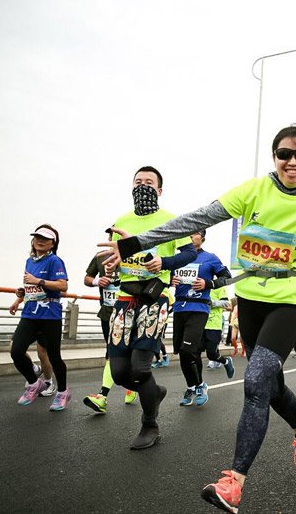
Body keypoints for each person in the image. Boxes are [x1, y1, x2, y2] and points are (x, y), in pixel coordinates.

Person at [97, 124, 296, 513]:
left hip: (289, 302)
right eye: (284, 153)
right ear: (274, 157)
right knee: (271, 385)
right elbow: (196, 220)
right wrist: (134, 243)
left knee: (257, 380)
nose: (292, 161)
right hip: (249, 300)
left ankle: (234, 483)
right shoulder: (251, 191)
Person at [101, 166, 197, 449]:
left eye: (149, 182)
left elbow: (189, 252)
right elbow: (117, 253)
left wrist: (163, 263)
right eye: (138, 182)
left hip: (155, 298)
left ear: (160, 190)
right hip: (124, 298)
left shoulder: (171, 220)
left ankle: (150, 425)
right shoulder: (121, 219)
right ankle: (154, 392)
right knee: (119, 372)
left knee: (141, 367)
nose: (143, 186)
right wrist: (111, 262)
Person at [8, 224, 71, 410]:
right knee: (16, 351)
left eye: (44, 238)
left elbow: (62, 286)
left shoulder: (55, 261)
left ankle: (62, 392)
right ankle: (35, 383)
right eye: (37, 237)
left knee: (53, 356)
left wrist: (38, 281)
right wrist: (21, 296)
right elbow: (32, 288)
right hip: (29, 313)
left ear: (52, 243)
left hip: (49, 315)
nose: (40, 241)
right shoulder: (30, 261)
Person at [171, 230, 233, 406]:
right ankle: (192, 386)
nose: (191, 236)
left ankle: (201, 385)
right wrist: (170, 280)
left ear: (202, 238)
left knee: (189, 350)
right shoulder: (177, 258)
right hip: (179, 307)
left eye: (195, 233)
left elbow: (226, 278)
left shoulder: (210, 258)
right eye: (188, 233)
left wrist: (208, 284)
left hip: (199, 308)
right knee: (182, 352)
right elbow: (163, 275)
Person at [83, 228, 135, 413]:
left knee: (127, 354)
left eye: (118, 235)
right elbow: (87, 278)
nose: (113, 238)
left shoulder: (133, 256)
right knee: (111, 352)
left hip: (130, 311)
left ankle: (130, 386)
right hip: (107, 313)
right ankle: (103, 397)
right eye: (111, 235)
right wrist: (97, 282)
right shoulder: (100, 257)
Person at [204, 286, 234, 375]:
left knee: (211, 353)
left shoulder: (218, 286)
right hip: (199, 323)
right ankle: (197, 384)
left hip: (213, 324)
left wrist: (212, 303)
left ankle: (225, 361)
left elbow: (227, 304)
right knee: (192, 352)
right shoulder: (196, 284)